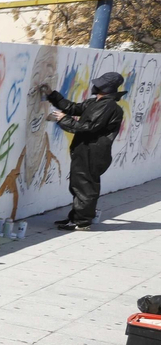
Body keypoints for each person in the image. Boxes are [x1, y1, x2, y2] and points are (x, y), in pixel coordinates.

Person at [46, 71, 126, 230]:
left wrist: (63, 119)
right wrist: (52, 95)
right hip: (86, 150)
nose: (95, 86)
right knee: (79, 184)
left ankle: (81, 222)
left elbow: (88, 128)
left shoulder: (108, 106)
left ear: (106, 88)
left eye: (99, 84)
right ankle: (76, 218)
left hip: (93, 152)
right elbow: (73, 108)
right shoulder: (96, 102)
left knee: (85, 186)